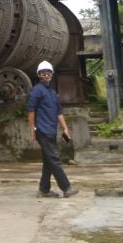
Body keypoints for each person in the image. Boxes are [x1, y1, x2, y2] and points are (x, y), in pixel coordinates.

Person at [27, 60, 77, 198]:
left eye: (48, 72)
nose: (46, 75)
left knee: (48, 161)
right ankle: (66, 188)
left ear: (52, 74)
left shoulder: (52, 92)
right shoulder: (37, 91)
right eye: (43, 73)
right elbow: (31, 111)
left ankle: (43, 190)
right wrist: (33, 128)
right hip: (42, 130)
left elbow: (58, 112)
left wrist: (65, 129)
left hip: (51, 130)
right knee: (54, 159)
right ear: (39, 75)